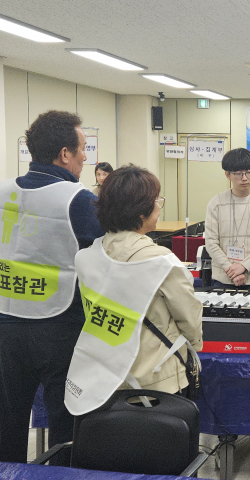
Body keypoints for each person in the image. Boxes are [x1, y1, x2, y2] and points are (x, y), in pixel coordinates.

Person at [0, 111, 103, 463]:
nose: (86, 157)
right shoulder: (79, 200)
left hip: (6, 324)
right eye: (83, 149)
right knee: (64, 422)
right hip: (59, 326)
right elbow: (104, 256)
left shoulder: (2, 191)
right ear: (64, 154)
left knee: (7, 420)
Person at [66, 166, 202, 415]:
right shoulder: (161, 261)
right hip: (156, 381)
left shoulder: (86, 257)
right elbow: (189, 320)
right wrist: (194, 346)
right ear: (141, 212)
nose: (159, 207)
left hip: (103, 379)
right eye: (156, 201)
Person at [205, 148, 250, 290]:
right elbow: (211, 242)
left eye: (249, 172)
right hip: (224, 278)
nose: (244, 178)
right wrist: (231, 270)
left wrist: (243, 266)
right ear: (227, 174)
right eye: (238, 174)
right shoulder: (216, 203)